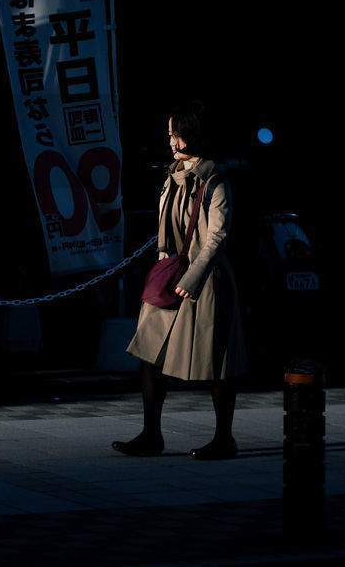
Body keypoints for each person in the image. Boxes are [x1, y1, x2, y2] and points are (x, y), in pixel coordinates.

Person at [113, 101, 248, 460]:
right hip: (170, 278)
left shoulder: (215, 180)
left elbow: (217, 237)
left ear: (193, 134)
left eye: (176, 134)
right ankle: (150, 434)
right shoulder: (172, 177)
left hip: (205, 282)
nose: (170, 141)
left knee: (216, 362)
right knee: (149, 354)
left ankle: (224, 439)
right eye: (169, 134)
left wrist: (193, 275)